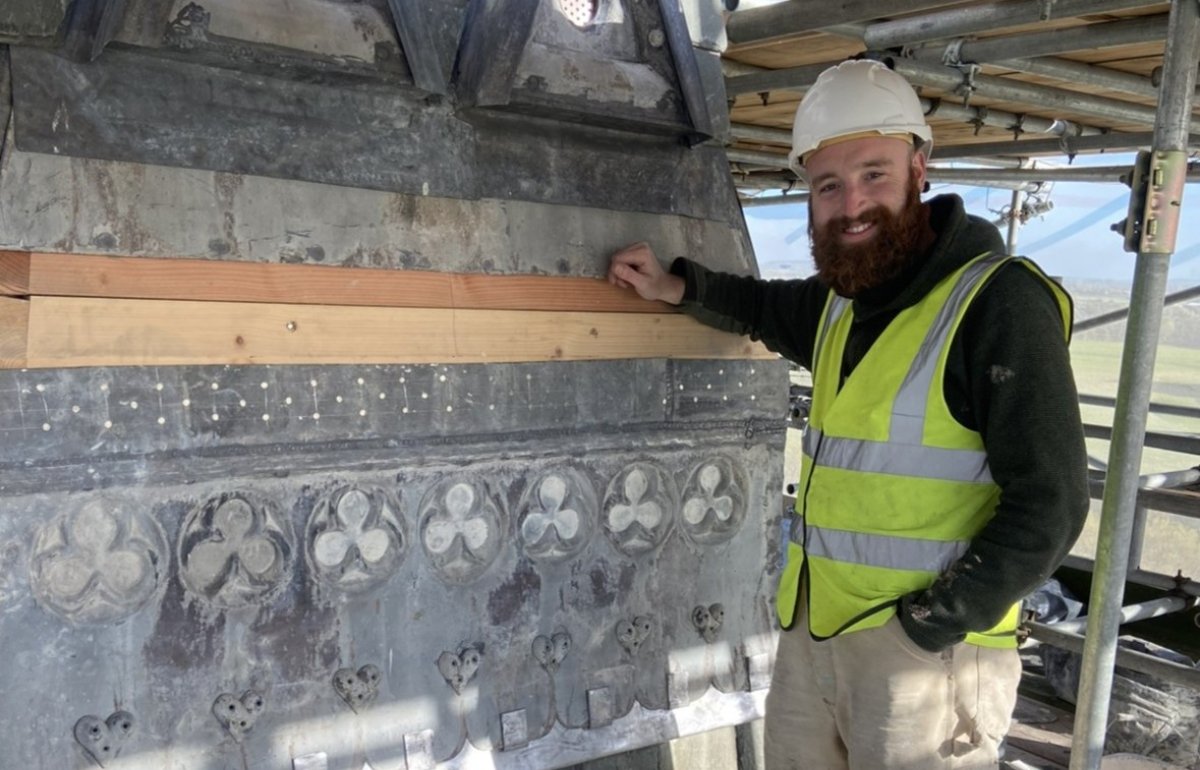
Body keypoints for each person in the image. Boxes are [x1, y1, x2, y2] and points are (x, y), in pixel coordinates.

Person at [607, 59, 1089, 770]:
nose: (850, 204)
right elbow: (764, 307)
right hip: (816, 634)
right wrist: (677, 285)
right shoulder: (841, 304)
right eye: (827, 185)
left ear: (920, 168)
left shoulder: (996, 304)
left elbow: (1053, 501)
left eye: (873, 174)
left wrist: (929, 626)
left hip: (924, 658)